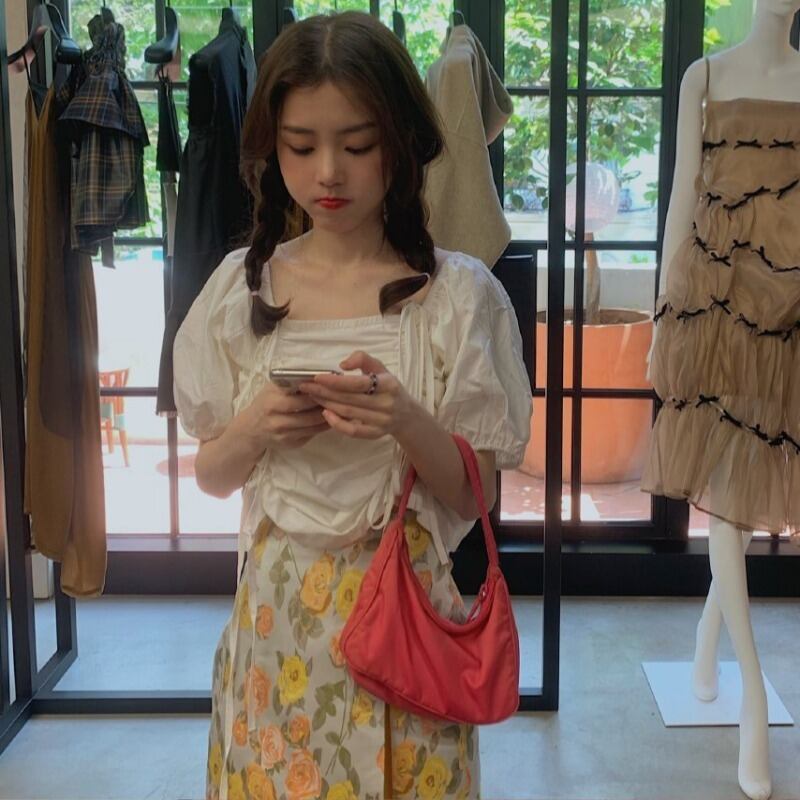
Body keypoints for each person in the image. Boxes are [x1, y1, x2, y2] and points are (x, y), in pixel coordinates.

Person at [173, 12, 532, 800]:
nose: (328, 173)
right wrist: (254, 427)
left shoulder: (457, 296)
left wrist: (405, 419)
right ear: (273, 147)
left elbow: (476, 494)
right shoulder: (241, 289)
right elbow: (212, 475)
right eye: (301, 146)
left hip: (407, 625)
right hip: (276, 632)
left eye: (357, 145)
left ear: (399, 143)